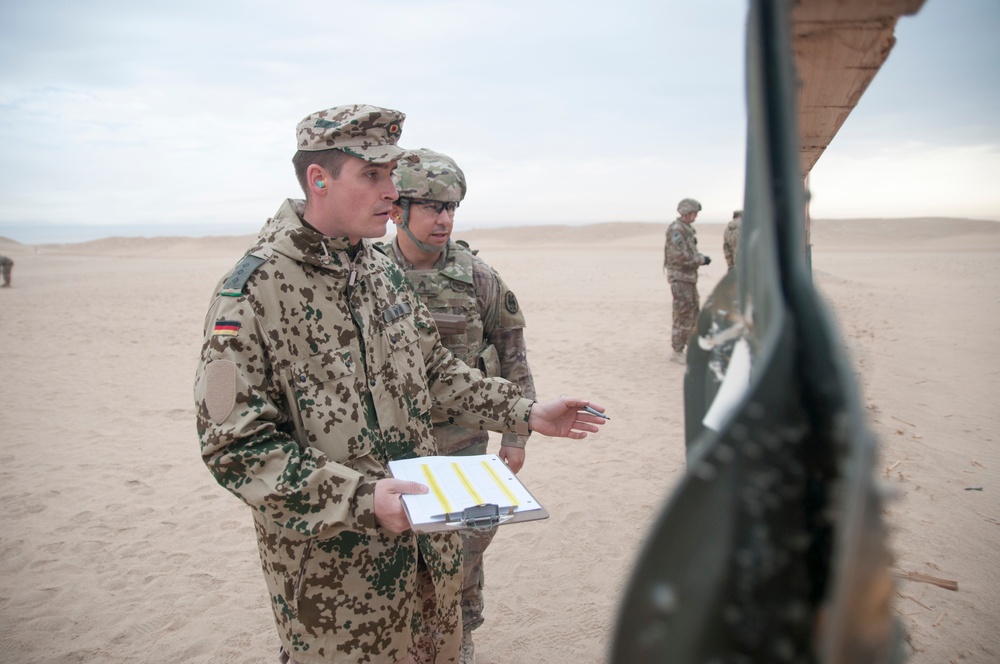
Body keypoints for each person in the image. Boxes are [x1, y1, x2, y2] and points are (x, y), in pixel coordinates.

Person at [193, 104, 607, 664]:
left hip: (429, 565)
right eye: (372, 175)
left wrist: (524, 412)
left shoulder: (379, 270)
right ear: (319, 179)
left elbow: (434, 370)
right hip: (338, 591)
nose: (392, 192)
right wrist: (362, 500)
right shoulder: (252, 291)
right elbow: (235, 446)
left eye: (392, 175)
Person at [384, 149, 535, 664]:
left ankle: (459, 642)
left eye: (451, 208)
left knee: (464, 557)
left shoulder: (480, 278)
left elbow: (513, 358)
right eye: (430, 207)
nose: (444, 218)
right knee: (401, 561)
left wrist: (515, 437)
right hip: (394, 449)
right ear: (397, 209)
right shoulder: (368, 275)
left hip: (465, 448)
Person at [663, 198, 710, 364]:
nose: (695, 217)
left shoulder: (686, 229)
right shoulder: (677, 230)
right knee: (683, 313)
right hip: (680, 278)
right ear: (686, 212)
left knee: (693, 311)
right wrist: (700, 259)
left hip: (688, 278)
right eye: (693, 213)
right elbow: (680, 256)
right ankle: (677, 351)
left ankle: (692, 348)